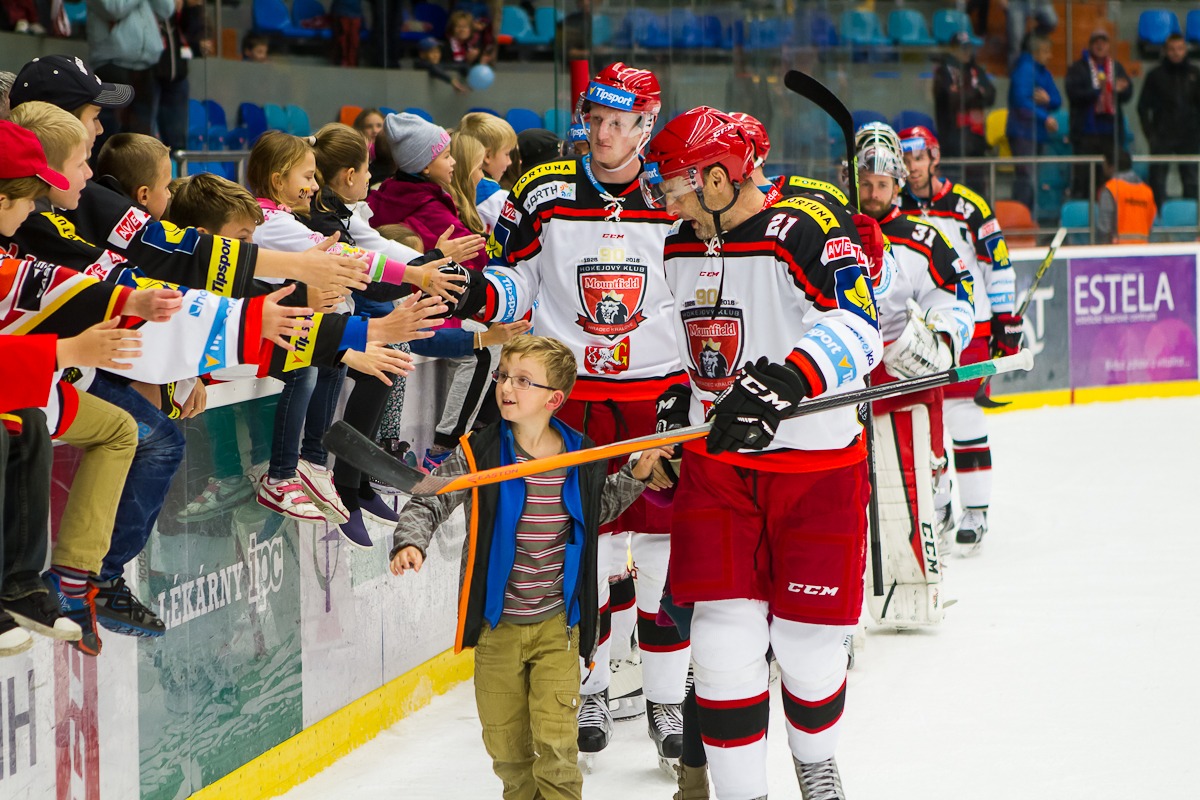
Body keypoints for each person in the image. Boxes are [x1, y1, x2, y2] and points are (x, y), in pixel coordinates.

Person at [451, 62, 691, 769]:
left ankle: (666, 701)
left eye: (619, 122)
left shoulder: (673, 191)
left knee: (661, 553)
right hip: (571, 395)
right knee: (583, 548)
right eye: (594, 119)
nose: (603, 134)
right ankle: (590, 688)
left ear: (646, 124)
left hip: (657, 395)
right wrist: (478, 293)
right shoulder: (543, 190)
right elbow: (515, 278)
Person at [641, 105, 881, 800]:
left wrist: (788, 380)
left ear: (718, 180)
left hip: (816, 470)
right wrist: (674, 405)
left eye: (675, 187)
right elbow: (681, 342)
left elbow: (858, 328)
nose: (667, 202)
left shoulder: (804, 229)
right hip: (720, 473)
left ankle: (816, 762)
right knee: (720, 644)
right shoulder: (681, 245)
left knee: (809, 647)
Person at [390, 335, 672, 800]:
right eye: (503, 376)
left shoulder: (579, 455)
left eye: (523, 381)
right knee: (507, 752)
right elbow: (431, 499)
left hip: (557, 627)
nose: (506, 387)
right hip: (497, 626)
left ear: (553, 399)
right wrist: (411, 541)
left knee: (557, 748)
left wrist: (633, 477)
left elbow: (595, 510)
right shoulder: (479, 453)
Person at [854, 123, 973, 623]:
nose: (872, 192)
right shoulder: (833, 228)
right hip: (850, 389)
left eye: (882, 184)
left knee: (915, 478)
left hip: (907, 385)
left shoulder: (923, 238)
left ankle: (919, 577)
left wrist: (942, 336)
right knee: (854, 495)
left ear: (898, 183)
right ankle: (853, 596)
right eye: (865, 183)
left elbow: (957, 295)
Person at [898, 124, 1017, 552]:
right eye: (905, 158)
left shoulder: (968, 206)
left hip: (970, 328)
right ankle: (940, 504)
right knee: (921, 421)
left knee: (964, 416)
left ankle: (976, 511)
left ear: (934, 157)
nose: (912, 166)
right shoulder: (894, 207)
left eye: (918, 157)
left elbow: (996, 265)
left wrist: (1005, 320)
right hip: (913, 333)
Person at [87, 0, 175, 144]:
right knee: (109, 136)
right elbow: (114, 8)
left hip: (146, 67)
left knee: (141, 139)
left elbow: (166, 10)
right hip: (112, 64)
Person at [1065, 30, 1132, 200]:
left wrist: (1121, 90)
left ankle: (1110, 208)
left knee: (1113, 177)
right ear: (1090, 45)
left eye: (1103, 42)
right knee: (1083, 179)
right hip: (1086, 133)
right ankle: (1082, 211)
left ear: (1109, 46)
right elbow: (1073, 94)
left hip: (1110, 134)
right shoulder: (1078, 68)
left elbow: (1128, 93)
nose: (1100, 45)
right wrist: (1097, 90)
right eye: (1096, 42)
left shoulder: (1116, 67)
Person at [1137, 33, 1200, 207]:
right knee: (1157, 181)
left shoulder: (1195, 74)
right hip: (1162, 136)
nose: (1176, 53)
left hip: (1189, 136)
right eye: (1172, 49)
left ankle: (1191, 219)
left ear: (1185, 50)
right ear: (1165, 51)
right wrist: (1150, 134)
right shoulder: (1155, 75)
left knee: (1191, 181)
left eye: (1179, 48)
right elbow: (1142, 107)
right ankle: (1157, 218)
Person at [932, 31, 996, 188]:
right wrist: (976, 93)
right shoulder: (944, 71)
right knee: (953, 187)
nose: (967, 52)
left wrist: (968, 93)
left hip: (976, 140)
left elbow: (990, 95)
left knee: (977, 189)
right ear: (953, 49)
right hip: (952, 140)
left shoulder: (976, 70)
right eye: (962, 49)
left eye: (968, 48)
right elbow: (952, 99)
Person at [1007, 34, 1061, 211]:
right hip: (1023, 133)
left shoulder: (1043, 72)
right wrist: (1045, 117)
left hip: (1037, 133)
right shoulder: (1025, 70)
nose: (1050, 56)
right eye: (1046, 51)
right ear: (1035, 52)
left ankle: (1026, 216)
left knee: (1032, 179)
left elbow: (1057, 99)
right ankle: (1019, 216)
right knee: (1026, 179)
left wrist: (1047, 100)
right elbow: (1021, 101)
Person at [456, 112, 518, 233]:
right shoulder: (499, 200)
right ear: (487, 156)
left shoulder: (453, 187)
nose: (510, 161)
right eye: (506, 154)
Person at [1097, 149, 1156, 245]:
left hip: (1117, 250)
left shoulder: (1110, 189)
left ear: (1111, 166)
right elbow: (1151, 224)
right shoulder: (1147, 191)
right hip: (1142, 249)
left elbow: (1104, 228)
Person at [1004, 0, 1056, 70]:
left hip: (1040, 2)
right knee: (1015, 41)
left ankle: (1026, 41)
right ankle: (1015, 72)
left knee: (1051, 22)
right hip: (1017, 3)